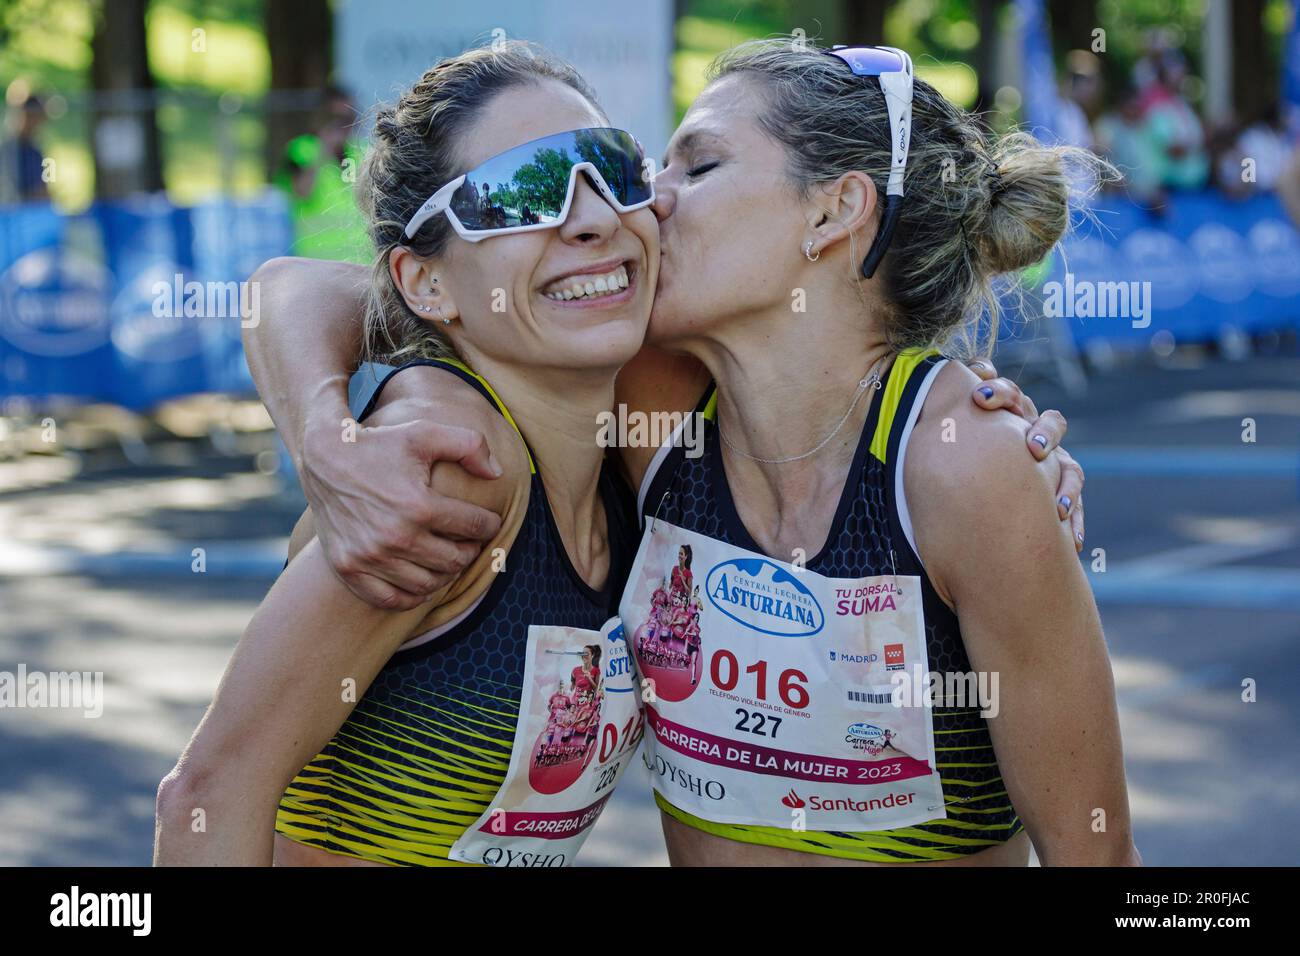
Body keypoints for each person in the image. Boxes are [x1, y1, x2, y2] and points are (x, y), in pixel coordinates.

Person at [243, 36, 1123, 867]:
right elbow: (307, 289)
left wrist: (1006, 475)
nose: (647, 199)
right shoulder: (648, 409)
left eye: (695, 166)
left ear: (833, 209)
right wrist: (325, 431)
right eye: (652, 167)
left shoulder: (961, 463)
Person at [155, 43, 654, 867]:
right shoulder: (448, 468)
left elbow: (302, 286)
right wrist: (325, 429)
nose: (593, 215)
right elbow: (207, 796)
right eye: (521, 193)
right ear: (426, 283)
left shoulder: (630, 445)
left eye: (610, 168)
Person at [275, 86, 369, 261]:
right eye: (337, 119)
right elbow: (301, 192)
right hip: (317, 261)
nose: (344, 126)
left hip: (358, 260)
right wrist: (323, 149)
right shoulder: (301, 150)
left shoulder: (358, 152)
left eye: (349, 118)